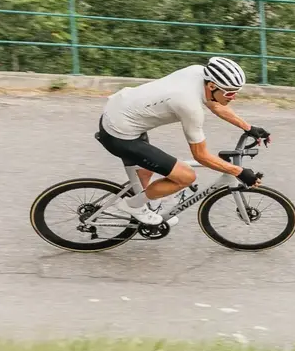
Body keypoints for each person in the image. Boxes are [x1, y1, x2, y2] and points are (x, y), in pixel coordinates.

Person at [95, 57, 269, 226]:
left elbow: (214, 103)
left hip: (122, 112)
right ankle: (133, 205)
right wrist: (238, 171)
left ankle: (144, 203)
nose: (234, 97)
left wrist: (248, 127)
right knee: (186, 176)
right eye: (230, 93)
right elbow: (201, 155)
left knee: (146, 171)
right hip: (120, 134)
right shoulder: (189, 105)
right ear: (211, 85)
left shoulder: (198, 73)